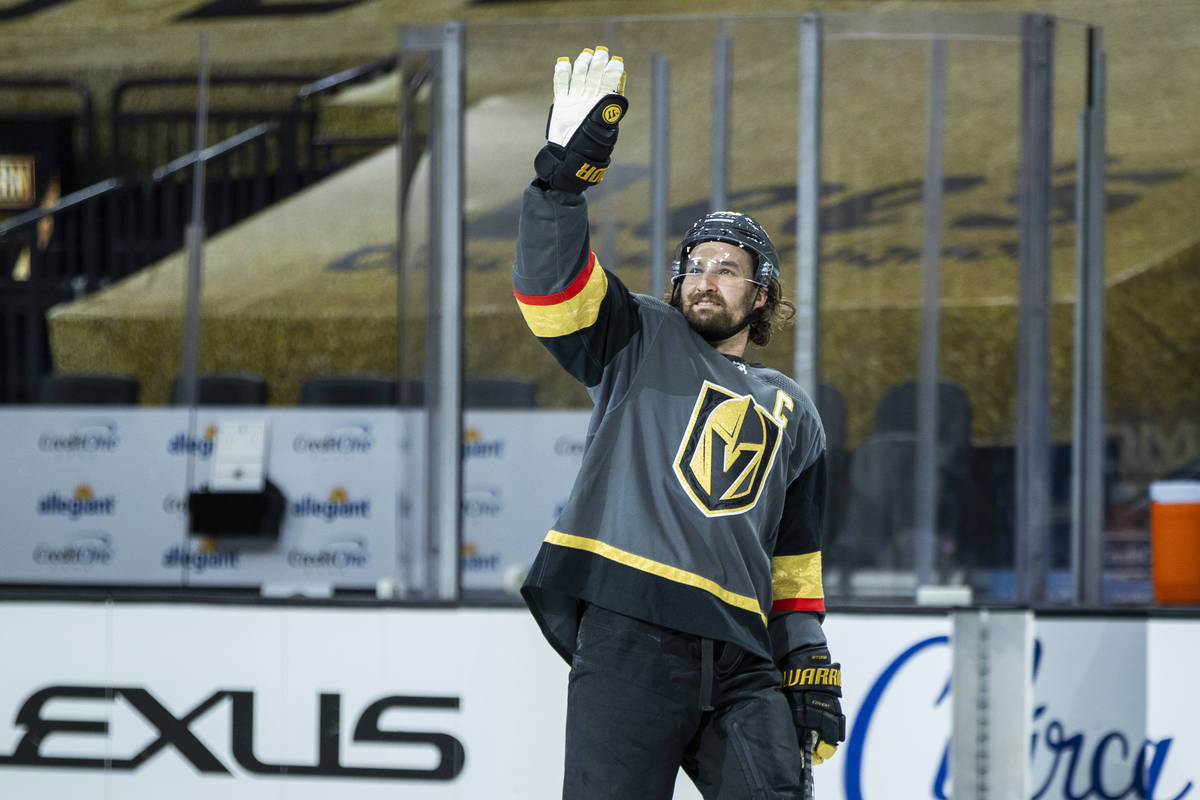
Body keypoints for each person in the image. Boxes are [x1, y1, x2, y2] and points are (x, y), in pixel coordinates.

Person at [513, 45, 845, 799]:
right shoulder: (639, 336)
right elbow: (549, 290)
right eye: (694, 265)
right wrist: (559, 188)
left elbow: (795, 565)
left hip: (740, 651)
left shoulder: (795, 410)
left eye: (726, 268)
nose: (704, 277)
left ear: (761, 296)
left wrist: (810, 662)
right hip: (629, 628)